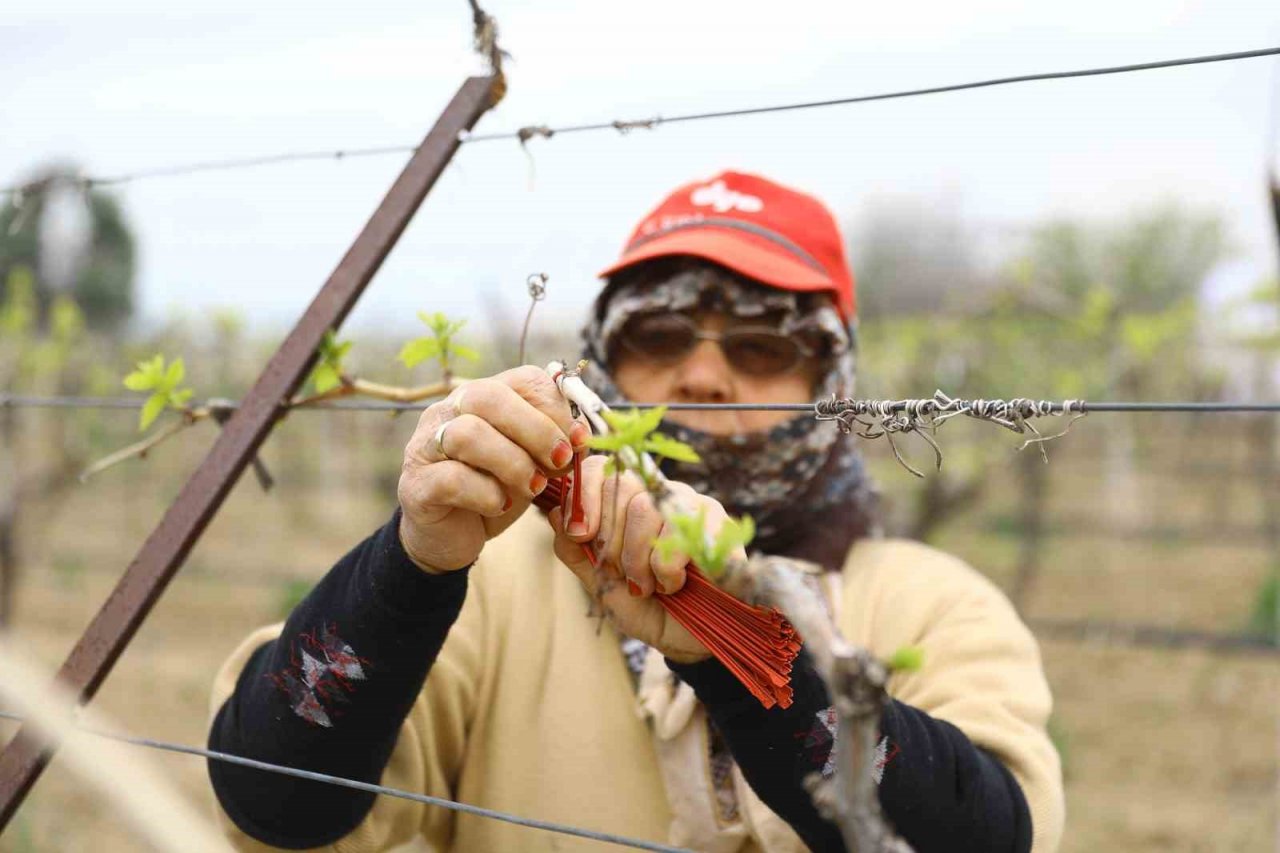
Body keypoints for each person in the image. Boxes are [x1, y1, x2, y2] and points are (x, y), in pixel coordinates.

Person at [206, 171, 1064, 852]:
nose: (702, 375)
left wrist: (735, 641)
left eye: (762, 344)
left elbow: (989, 834)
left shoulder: (933, 603)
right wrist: (409, 566)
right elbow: (273, 805)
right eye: (659, 335)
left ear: (833, 385)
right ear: (602, 361)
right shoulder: (489, 586)